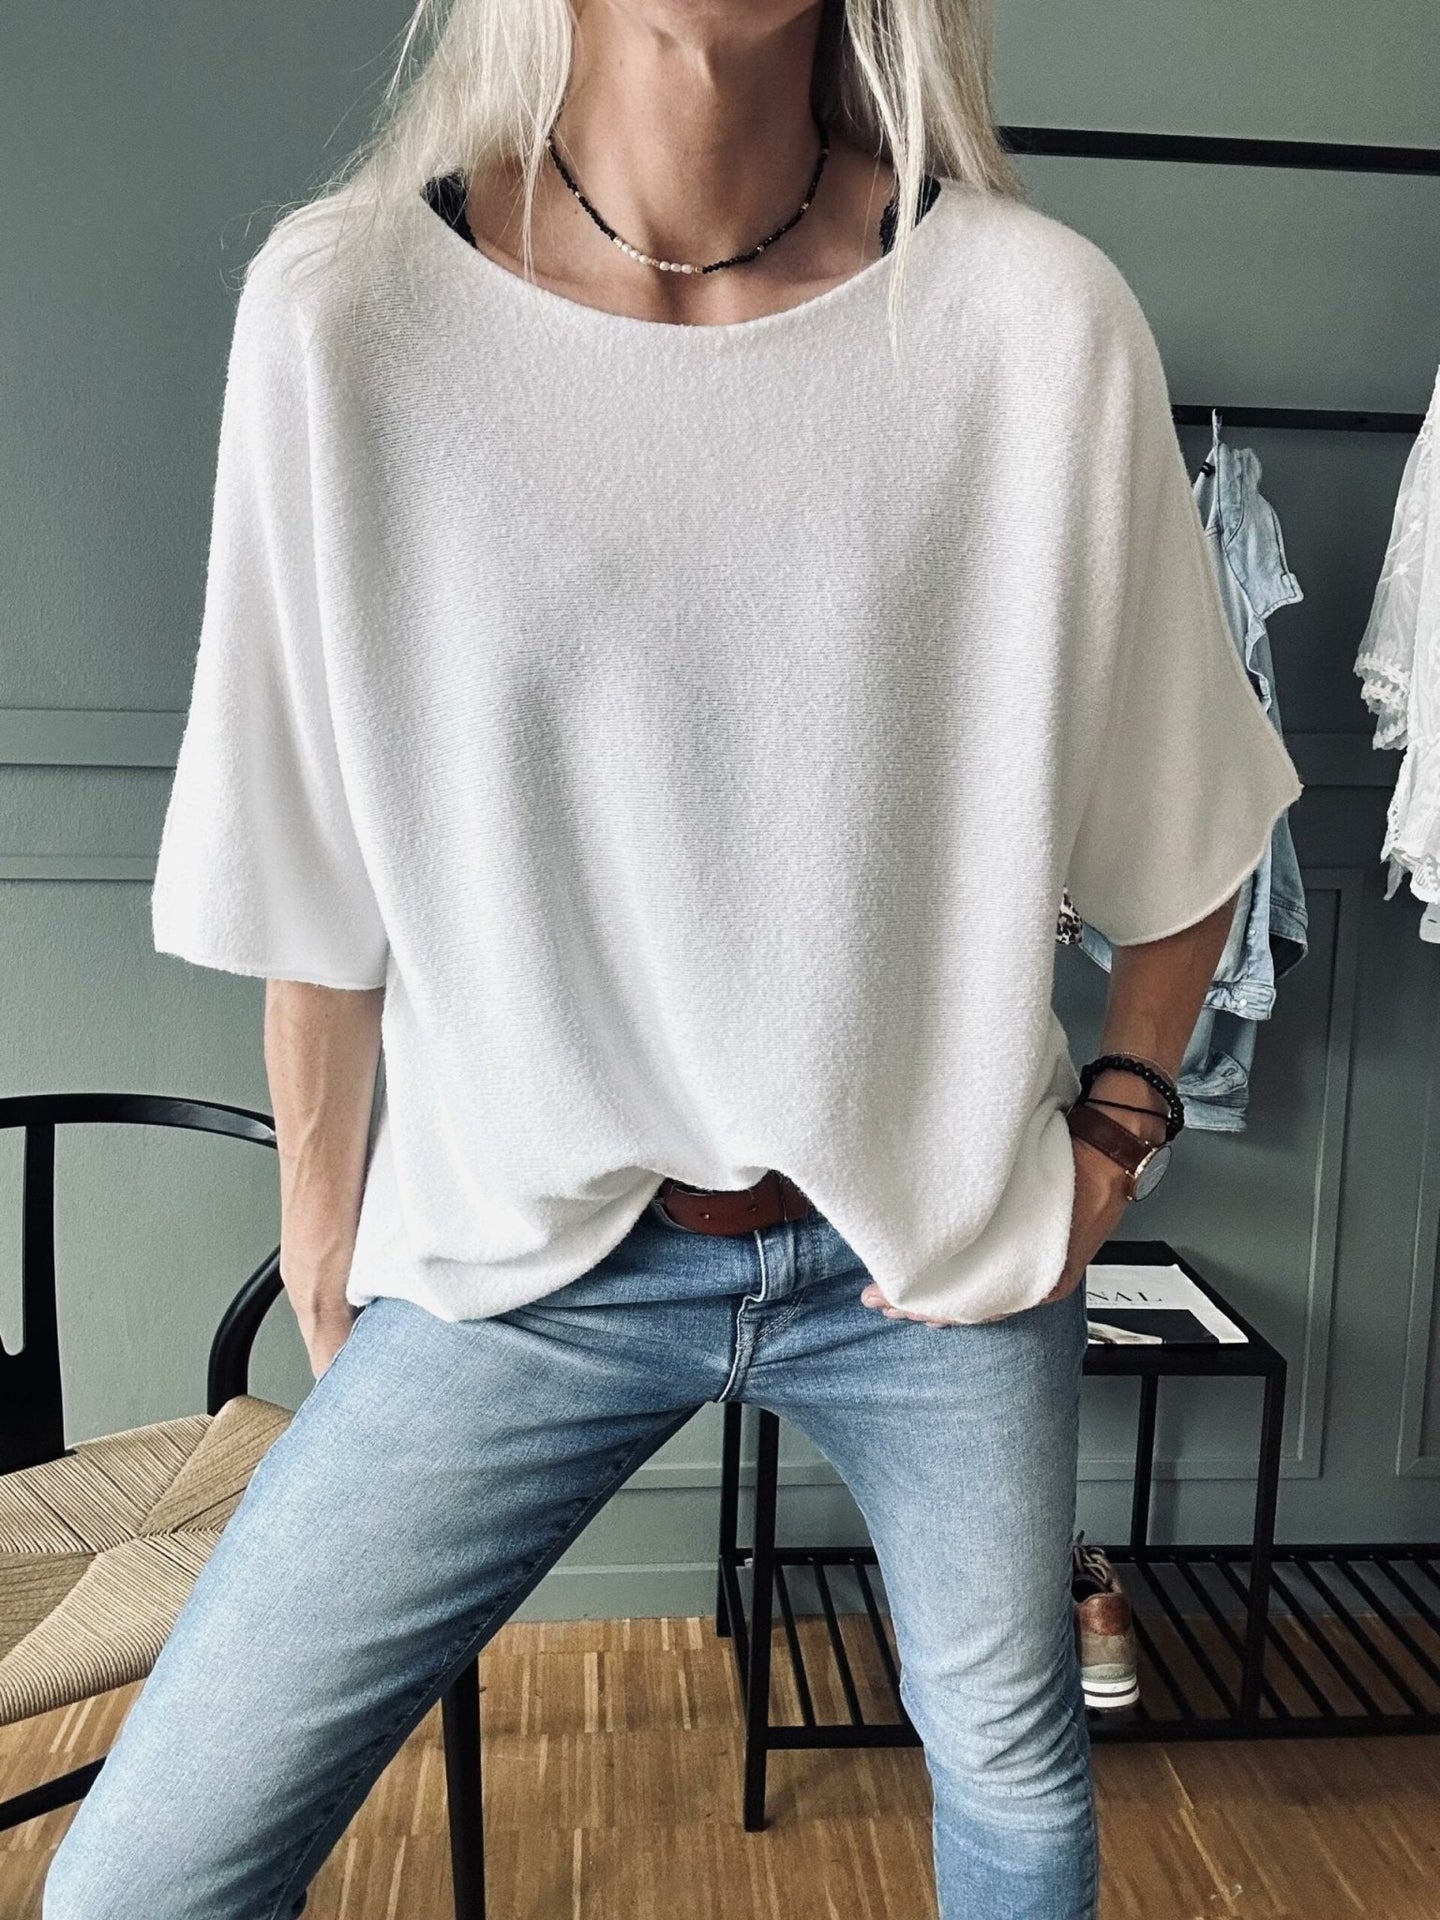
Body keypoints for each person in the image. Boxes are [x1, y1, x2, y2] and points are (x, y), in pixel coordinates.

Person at [43, 1, 1303, 1916]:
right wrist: (321, 1218)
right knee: (139, 1879)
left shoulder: (1033, 323)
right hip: (519, 1249)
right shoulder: (348, 310)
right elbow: (311, 854)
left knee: (1011, 1767)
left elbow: (1192, 812)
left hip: (931, 1251)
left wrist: (1117, 1136)